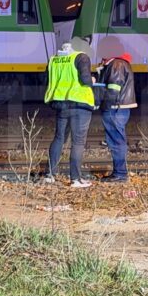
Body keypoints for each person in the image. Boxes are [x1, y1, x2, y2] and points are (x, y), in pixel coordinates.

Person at [44, 37, 97, 188]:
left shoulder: (54, 60)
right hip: (79, 104)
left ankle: (50, 175)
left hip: (61, 104)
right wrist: (93, 80)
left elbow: (46, 78)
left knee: (59, 138)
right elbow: (85, 80)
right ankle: (75, 179)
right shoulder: (81, 57)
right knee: (78, 141)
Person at [98, 50, 136, 182]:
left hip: (115, 107)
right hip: (119, 107)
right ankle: (119, 173)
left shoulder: (116, 65)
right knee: (117, 139)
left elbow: (113, 89)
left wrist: (104, 105)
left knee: (116, 141)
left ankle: (120, 174)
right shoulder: (118, 63)